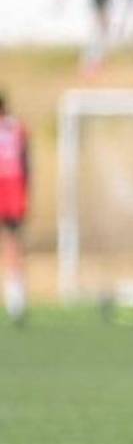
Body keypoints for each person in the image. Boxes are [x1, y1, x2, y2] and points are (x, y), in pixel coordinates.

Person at [0, 93, 30, 325]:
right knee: (13, 243)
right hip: (15, 191)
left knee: (13, 243)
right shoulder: (18, 128)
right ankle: (16, 299)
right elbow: (27, 162)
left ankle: (16, 298)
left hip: (8, 190)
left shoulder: (18, 129)